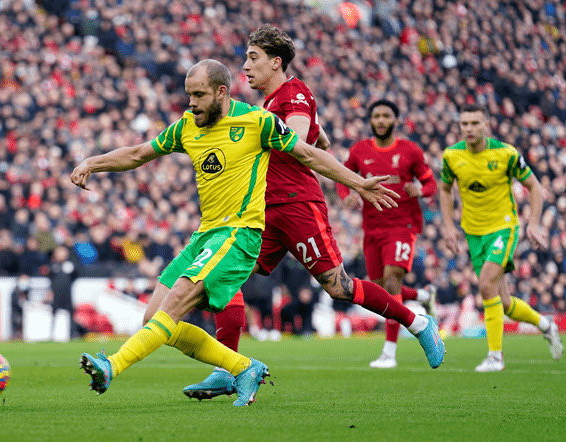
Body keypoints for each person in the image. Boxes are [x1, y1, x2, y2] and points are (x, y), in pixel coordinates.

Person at [71, 59, 403, 407]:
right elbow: (138, 153)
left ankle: (112, 366)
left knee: (170, 312)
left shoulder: (257, 122)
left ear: (221, 92)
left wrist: (358, 182)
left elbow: (309, 154)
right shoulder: (186, 127)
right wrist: (92, 162)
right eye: (188, 95)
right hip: (206, 236)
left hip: (239, 234)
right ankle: (242, 367)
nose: (192, 103)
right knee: (154, 319)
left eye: (199, 95)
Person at [182, 25, 444, 400]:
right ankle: (228, 369)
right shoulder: (267, 104)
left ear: (276, 62)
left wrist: (311, 137)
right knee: (226, 280)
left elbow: (297, 139)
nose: (245, 67)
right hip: (263, 211)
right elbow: (306, 133)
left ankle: (418, 322)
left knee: (340, 287)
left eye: (252, 59)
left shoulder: (295, 94)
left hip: (296, 206)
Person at [440, 103, 563, 371]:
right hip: (473, 232)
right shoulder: (451, 156)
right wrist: (448, 226)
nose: (469, 129)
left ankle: (495, 357)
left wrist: (533, 223)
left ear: (486, 124)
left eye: (475, 123)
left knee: (485, 284)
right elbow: (445, 189)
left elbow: (534, 186)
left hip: (503, 227)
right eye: (464, 124)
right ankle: (546, 324)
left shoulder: (506, 153)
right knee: (503, 303)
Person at [336, 99, 438, 369]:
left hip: (402, 226)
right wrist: (347, 196)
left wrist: (421, 190)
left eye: (386, 116)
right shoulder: (359, 151)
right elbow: (343, 178)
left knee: (392, 282)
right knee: (379, 288)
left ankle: (389, 352)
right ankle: (422, 296)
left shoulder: (410, 151)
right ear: (371, 121)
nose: (381, 120)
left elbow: (430, 183)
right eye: (377, 116)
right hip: (372, 228)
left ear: (395, 120)